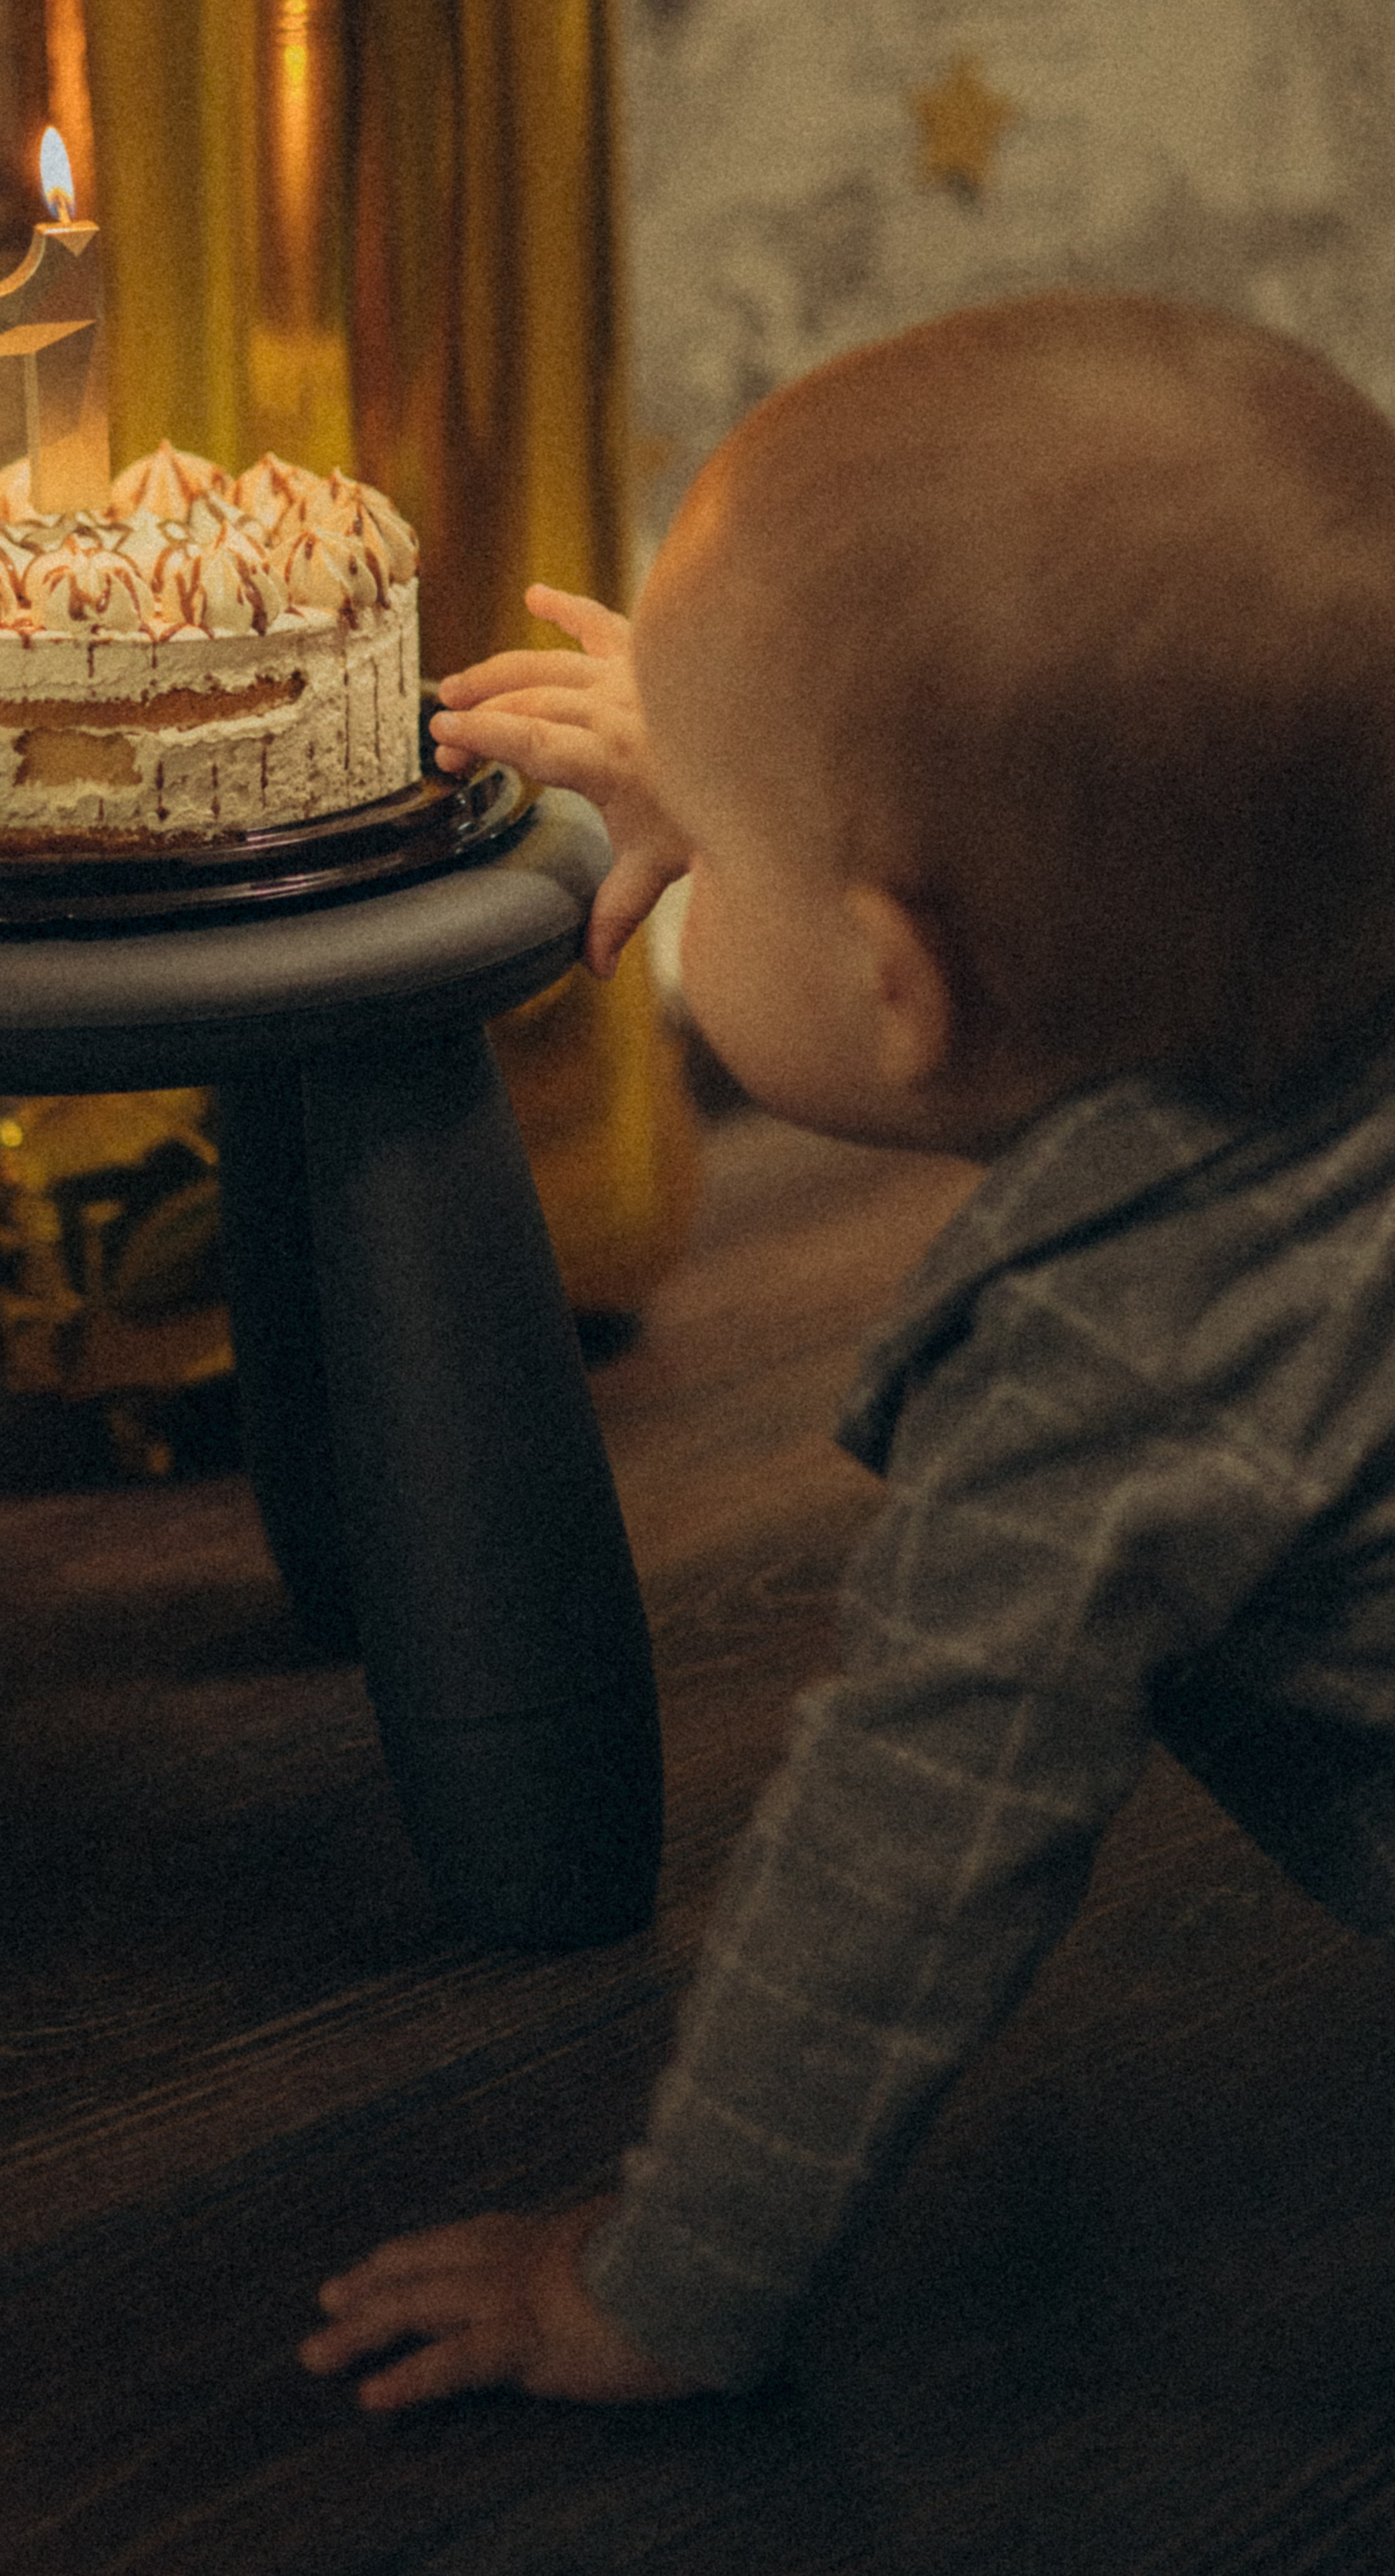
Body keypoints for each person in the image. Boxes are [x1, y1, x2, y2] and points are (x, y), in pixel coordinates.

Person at [298, 290, 1395, 2411]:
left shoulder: (1110, 1388)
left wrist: (654, 2281)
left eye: (722, 830)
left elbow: (906, 1856)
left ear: (898, 980)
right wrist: (749, 751)